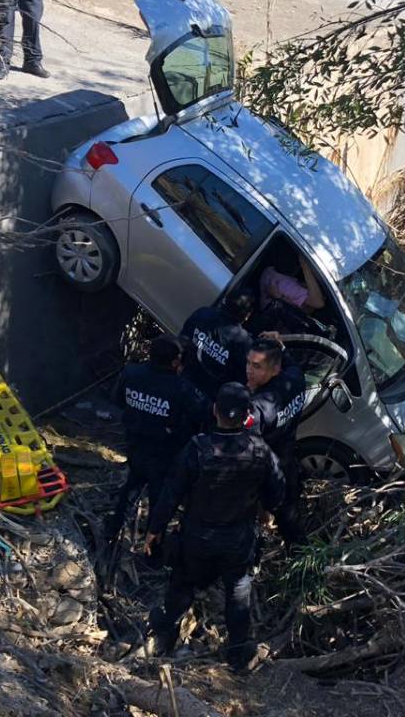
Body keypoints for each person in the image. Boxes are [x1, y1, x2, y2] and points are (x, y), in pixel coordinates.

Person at [144, 383, 285, 672]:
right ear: (248, 415)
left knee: (183, 582)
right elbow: (278, 492)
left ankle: (166, 634)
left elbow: (171, 491)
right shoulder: (260, 451)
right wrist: (265, 510)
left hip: (197, 535)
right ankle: (237, 652)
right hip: (238, 538)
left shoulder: (197, 448)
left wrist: (154, 529)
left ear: (214, 410)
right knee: (238, 590)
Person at [105, 335, 209, 548]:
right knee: (159, 498)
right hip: (164, 452)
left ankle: (112, 529)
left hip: (134, 443)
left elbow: (117, 400)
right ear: (174, 362)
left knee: (131, 486)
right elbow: (204, 414)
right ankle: (153, 549)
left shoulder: (131, 372)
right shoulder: (182, 388)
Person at [245, 336, 307, 544]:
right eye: (248, 363)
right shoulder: (296, 377)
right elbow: (289, 362)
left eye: (256, 366)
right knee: (289, 512)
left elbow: (246, 442)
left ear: (275, 369)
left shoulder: (259, 405)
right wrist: (281, 345)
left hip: (266, 466)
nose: (248, 370)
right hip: (287, 455)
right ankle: (297, 549)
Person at [178, 288, 255, 399]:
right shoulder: (244, 342)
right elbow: (240, 380)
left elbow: (182, 341)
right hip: (207, 400)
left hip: (182, 382)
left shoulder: (202, 314)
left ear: (225, 301)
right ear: (247, 315)